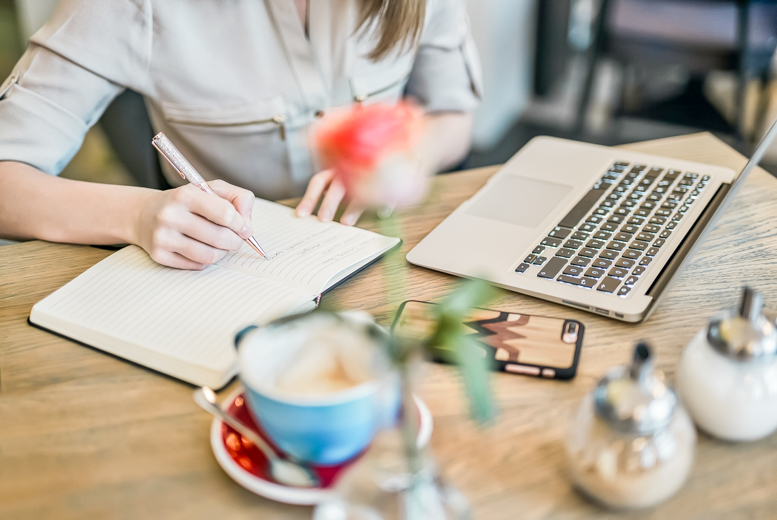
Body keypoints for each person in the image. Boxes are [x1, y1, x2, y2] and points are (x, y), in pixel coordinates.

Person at [0, 0, 481, 269]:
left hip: (391, 251)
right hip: (224, 268)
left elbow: (454, 116)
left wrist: (409, 156)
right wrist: (139, 214)